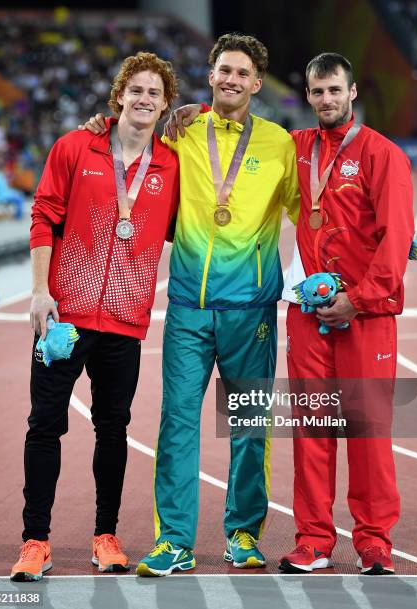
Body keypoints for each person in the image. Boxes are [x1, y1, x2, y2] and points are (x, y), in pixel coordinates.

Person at [82, 33, 301, 576]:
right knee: (176, 423)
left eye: (242, 73)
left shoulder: (278, 144)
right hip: (187, 307)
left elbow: (312, 211)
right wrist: (100, 125)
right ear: (210, 75)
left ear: (256, 82)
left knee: (250, 423)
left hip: (251, 309)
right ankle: (175, 540)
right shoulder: (181, 131)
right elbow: (128, 137)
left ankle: (243, 534)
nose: (231, 79)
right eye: (222, 70)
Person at [10, 51, 179, 582]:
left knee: (114, 430)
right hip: (64, 314)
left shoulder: (173, 163)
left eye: (155, 93)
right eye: (137, 90)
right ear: (119, 96)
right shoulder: (74, 146)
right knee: (44, 428)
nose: (144, 99)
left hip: (124, 322)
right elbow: (43, 216)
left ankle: (105, 536)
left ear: (166, 104)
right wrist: (40, 291)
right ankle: (35, 541)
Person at [279, 53, 414, 575]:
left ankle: (374, 541)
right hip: (309, 316)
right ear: (308, 96)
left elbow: (396, 239)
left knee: (367, 431)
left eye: (335, 90)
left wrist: (355, 300)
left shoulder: (383, 155)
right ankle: (313, 540)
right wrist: (191, 111)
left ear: (352, 92)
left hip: (366, 314)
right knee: (312, 429)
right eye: (317, 92)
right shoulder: (296, 148)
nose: (326, 100)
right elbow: (234, 131)